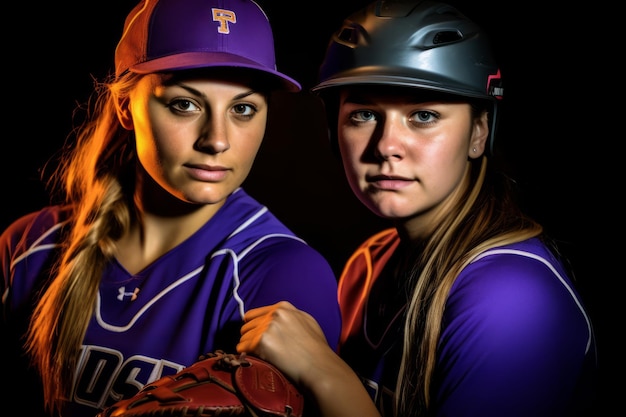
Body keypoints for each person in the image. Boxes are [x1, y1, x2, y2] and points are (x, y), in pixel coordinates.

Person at [236, 1, 598, 416]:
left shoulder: (514, 297)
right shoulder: (368, 264)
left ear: (479, 132)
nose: (387, 146)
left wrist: (324, 372)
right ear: (333, 130)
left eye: (423, 115)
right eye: (365, 115)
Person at [0, 0, 342, 416]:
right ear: (126, 107)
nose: (217, 140)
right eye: (186, 104)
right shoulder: (31, 246)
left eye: (243, 109)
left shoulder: (283, 272)